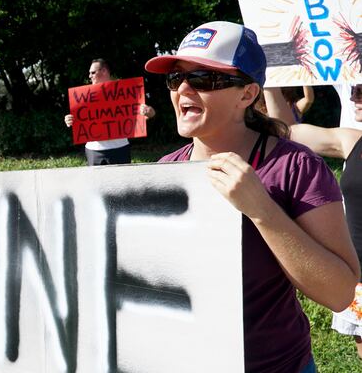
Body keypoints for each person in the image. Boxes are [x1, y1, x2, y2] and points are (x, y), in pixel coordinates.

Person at [145, 21, 359, 373]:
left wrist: (262, 210)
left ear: (247, 94)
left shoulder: (295, 166)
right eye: (175, 78)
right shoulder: (164, 170)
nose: (183, 89)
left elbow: (340, 293)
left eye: (202, 78)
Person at [264, 83, 362, 359]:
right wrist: (271, 81)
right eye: (354, 90)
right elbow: (286, 130)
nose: (354, 97)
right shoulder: (353, 142)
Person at [63, 58, 156, 165]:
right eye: (89, 73)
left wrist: (148, 111)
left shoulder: (123, 91)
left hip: (120, 148)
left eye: (93, 72)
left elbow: (151, 114)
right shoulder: (84, 96)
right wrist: (69, 120)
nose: (90, 76)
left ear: (104, 71)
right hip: (94, 150)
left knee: (121, 181)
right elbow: (77, 118)